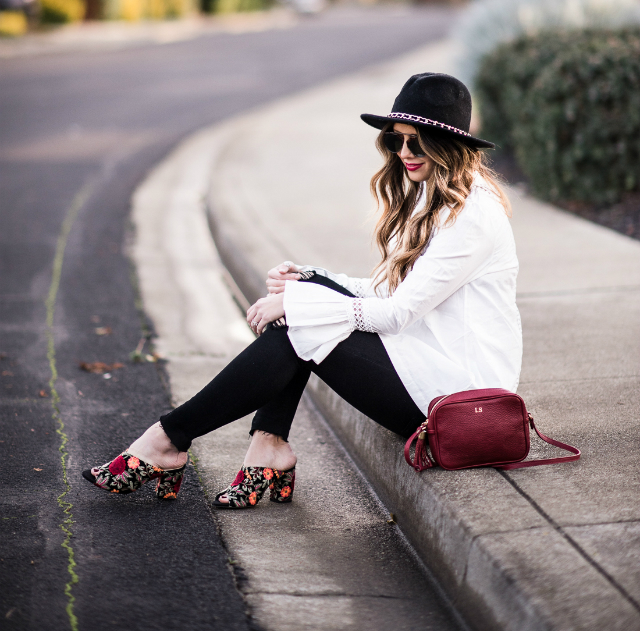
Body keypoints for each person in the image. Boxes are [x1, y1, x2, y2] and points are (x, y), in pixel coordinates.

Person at [83, 72, 522, 508]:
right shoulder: (435, 196)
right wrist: (307, 279)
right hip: (425, 368)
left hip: (460, 400)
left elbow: (396, 313)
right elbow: (387, 290)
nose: (403, 153)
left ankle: (170, 440)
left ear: (448, 146)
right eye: (395, 140)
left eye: (416, 142)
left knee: (299, 323)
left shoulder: (472, 216)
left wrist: (296, 304)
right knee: (305, 298)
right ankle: (262, 447)